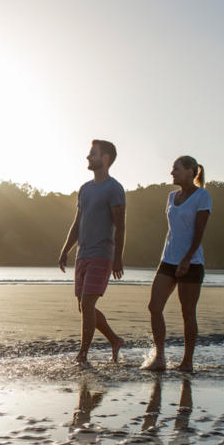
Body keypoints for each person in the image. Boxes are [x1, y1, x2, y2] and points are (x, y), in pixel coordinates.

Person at [58, 139, 126, 365]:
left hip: (101, 254)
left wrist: (117, 259)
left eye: (93, 154)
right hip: (83, 254)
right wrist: (66, 249)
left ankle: (83, 355)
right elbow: (77, 223)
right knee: (84, 307)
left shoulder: (114, 189)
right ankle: (115, 340)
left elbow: (121, 226)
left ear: (105, 158)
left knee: (87, 305)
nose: (88, 157)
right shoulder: (85, 189)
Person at [142, 155, 212, 371]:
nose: (172, 172)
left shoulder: (202, 196)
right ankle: (159, 357)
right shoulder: (172, 197)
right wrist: (173, 258)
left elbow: (199, 232)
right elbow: (173, 231)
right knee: (154, 306)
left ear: (191, 171)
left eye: (176, 169)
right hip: (168, 260)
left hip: (191, 262)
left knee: (187, 313)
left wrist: (187, 259)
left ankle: (187, 362)